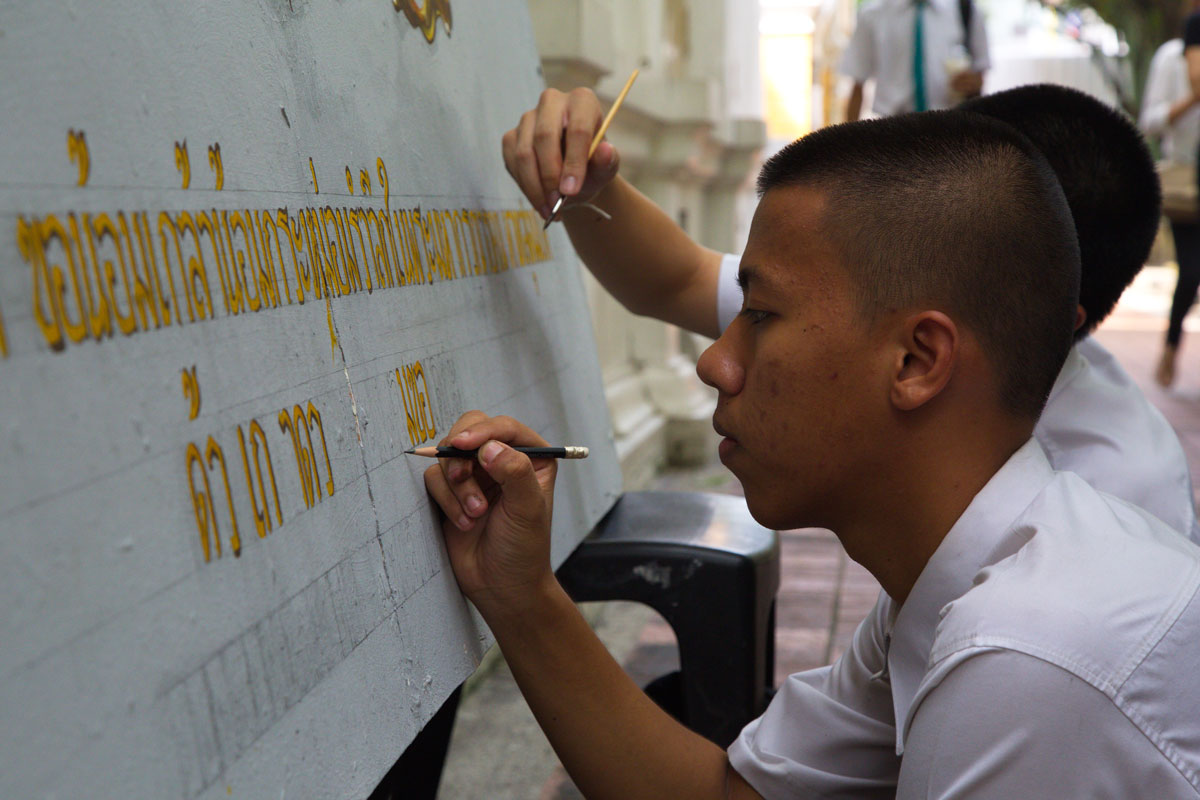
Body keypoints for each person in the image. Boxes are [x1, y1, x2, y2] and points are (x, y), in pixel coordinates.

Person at [427, 112, 1200, 796]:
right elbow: (726, 794)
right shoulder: (950, 588)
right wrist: (518, 595)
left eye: (760, 314)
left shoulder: (1029, 657)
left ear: (917, 361)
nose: (714, 362)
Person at [503, 83, 1199, 540]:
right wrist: (589, 183)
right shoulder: (925, 319)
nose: (717, 364)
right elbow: (677, 277)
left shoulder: (1100, 523)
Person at [1143, 9, 1200, 388]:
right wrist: (1194, 97)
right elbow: (1150, 121)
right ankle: (1171, 344)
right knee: (1191, 271)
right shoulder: (1170, 57)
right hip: (1186, 183)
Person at [841, 0, 989, 121]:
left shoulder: (966, 10)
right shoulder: (872, 14)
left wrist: (972, 82)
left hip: (951, 127)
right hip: (894, 131)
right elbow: (857, 86)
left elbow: (980, 74)